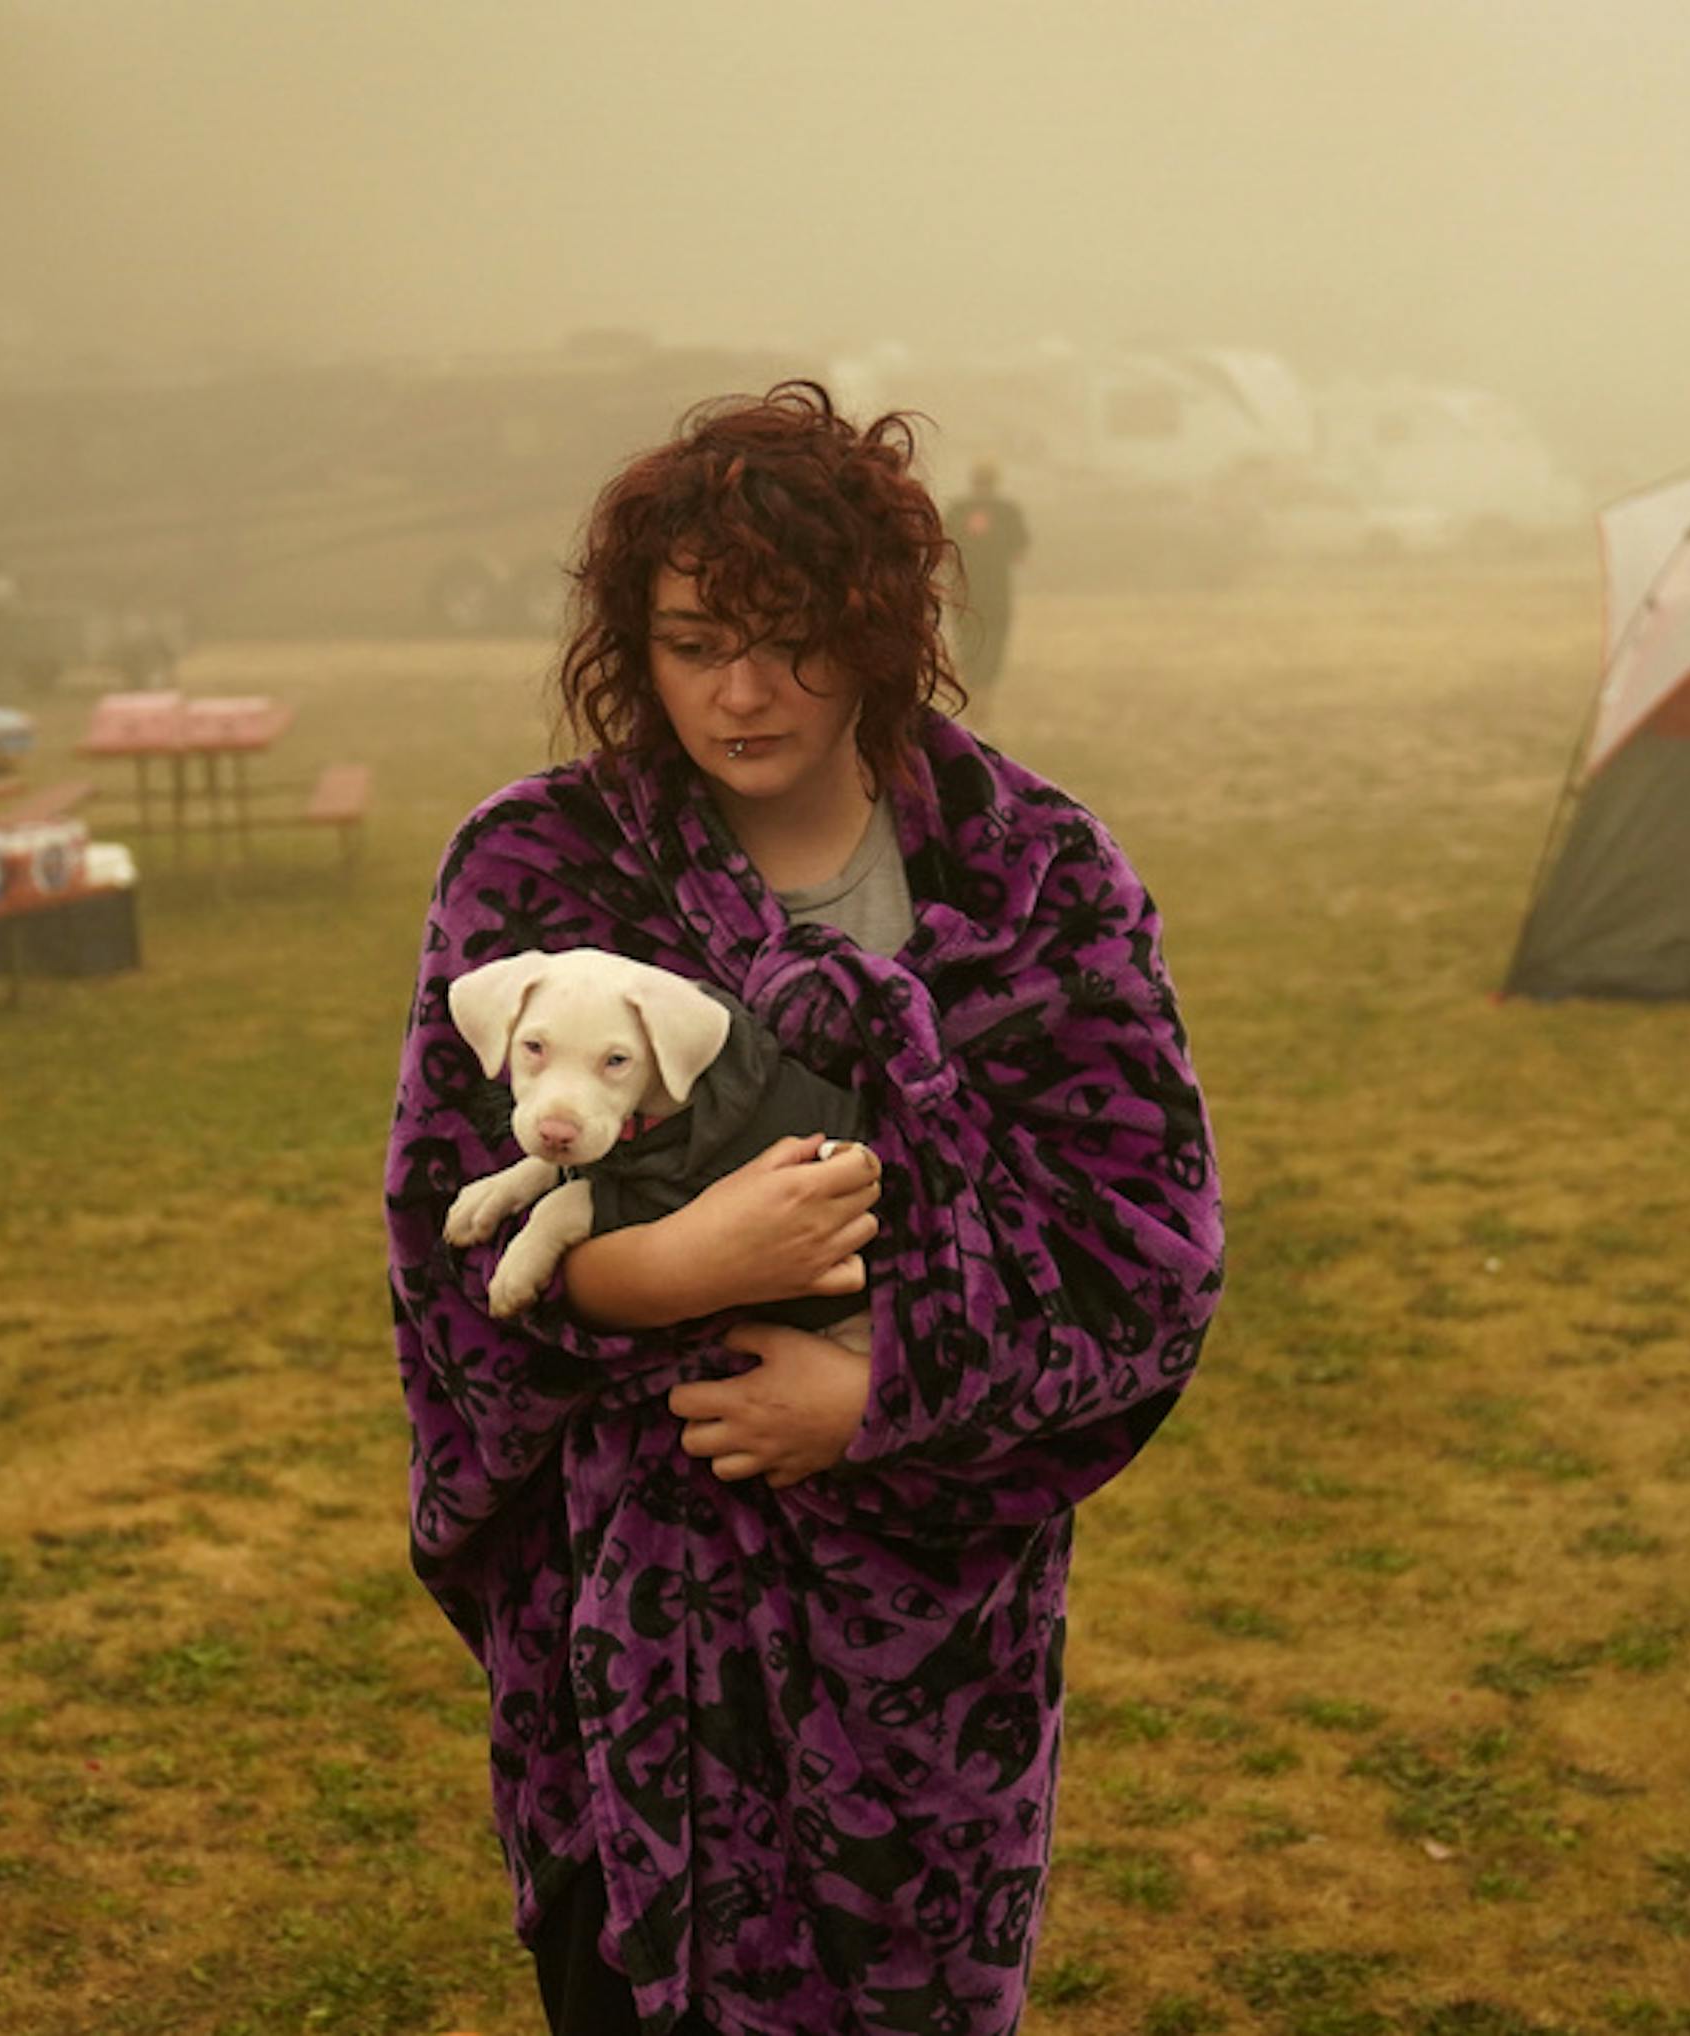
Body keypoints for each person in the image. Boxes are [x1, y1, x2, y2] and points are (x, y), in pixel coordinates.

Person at [386, 381, 1220, 2036]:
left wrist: (879, 1392)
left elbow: (1148, 1257)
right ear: (637, 640)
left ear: (884, 627)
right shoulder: (540, 868)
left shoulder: (1035, 874)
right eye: (696, 640)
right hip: (635, 1654)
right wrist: (657, 1269)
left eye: (791, 637)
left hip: (927, 1671)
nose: (743, 690)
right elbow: (440, 1238)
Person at [942, 459, 1030, 703]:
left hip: (963, 589)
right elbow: (1020, 553)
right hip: (997, 591)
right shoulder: (1008, 511)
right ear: (996, 481)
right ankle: (985, 694)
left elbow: (945, 551)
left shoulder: (957, 510)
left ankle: (972, 690)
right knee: (994, 642)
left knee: (968, 641)